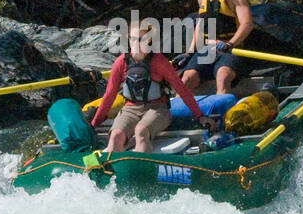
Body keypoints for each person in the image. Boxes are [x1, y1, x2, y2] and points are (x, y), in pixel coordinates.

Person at [89, 24, 212, 152]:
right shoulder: (121, 62)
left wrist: (199, 116)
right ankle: (113, 169)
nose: (136, 43)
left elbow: (182, 90)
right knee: (115, 137)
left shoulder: (159, 62)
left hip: (157, 109)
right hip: (130, 109)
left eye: (141, 39)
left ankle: (142, 168)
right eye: (133, 39)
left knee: (140, 131)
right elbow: (109, 95)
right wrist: (94, 123)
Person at [175, 0, 255, 96]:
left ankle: (224, 114)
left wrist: (230, 44)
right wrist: (189, 52)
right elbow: (200, 25)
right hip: (207, 49)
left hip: (230, 50)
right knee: (186, 79)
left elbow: (247, 24)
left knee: (223, 77)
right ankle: (180, 114)